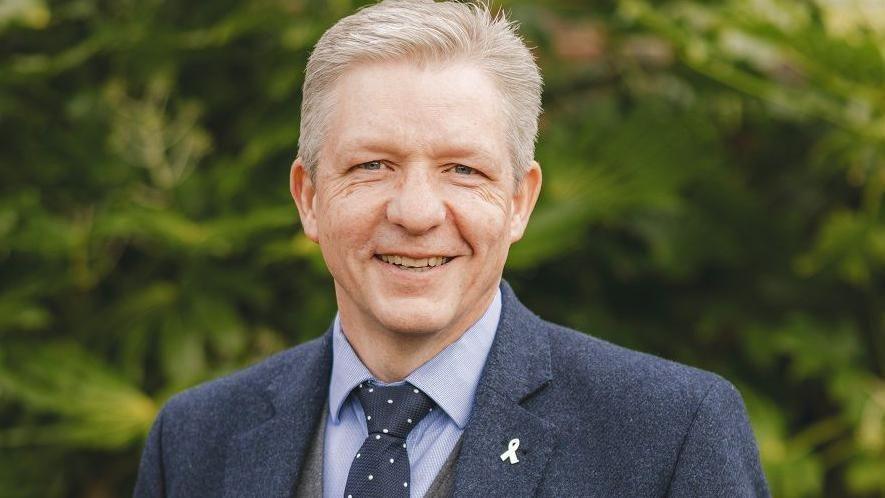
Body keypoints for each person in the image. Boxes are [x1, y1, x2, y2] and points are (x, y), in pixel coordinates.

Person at [134, 1, 769, 496]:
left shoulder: (669, 436)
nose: (415, 212)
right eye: (373, 164)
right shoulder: (195, 440)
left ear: (520, 200)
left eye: (462, 170)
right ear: (308, 196)